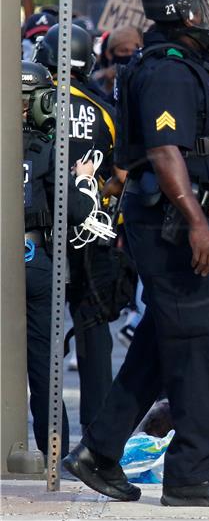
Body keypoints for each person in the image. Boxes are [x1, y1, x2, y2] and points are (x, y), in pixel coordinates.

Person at [64, 0, 209, 507]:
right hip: (175, 224)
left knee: (156, 344)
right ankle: (192, 474)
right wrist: (198, 222)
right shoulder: (168, 67)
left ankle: (99, 453)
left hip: (181, 214)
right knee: (198, 350)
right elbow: (165, 151)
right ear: (184, 12)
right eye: (208, 1)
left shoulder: (187, 61)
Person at [33, 23, 123, 433]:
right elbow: (123, 173)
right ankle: (99, 440)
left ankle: (54, 439)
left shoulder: (30, 100)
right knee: (94, 335)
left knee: (37, 341)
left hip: (37, 235)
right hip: (93, 235)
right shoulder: (104, 110)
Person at [22, 61, 97, 458]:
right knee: (44, 369)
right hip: (36, 262)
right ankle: (56, 457)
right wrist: (82, 177)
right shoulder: (50, 149)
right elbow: (79, 210)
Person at [90, 25, 143, 96]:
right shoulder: (96, 80)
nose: (130, 55)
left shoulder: (144, 79)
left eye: (134, 52)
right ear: (109, 54)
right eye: (124, 51)